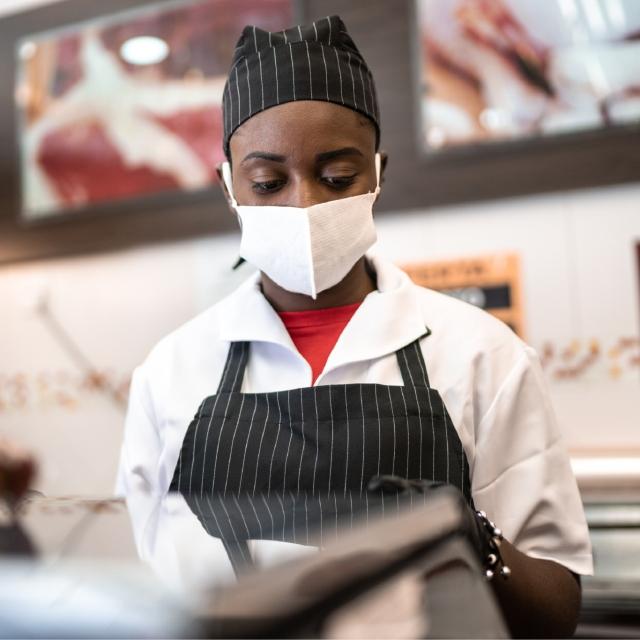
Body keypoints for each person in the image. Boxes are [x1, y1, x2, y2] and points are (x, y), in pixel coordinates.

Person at [116, 15, 592, 637]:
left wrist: (474, 537)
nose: (305, 205)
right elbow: (144, 593)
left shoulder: (482, 355)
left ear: (378, 172)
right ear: (228, 187)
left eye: (337, 176)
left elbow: (554, 610)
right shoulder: (171, 372)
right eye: (267, 182)